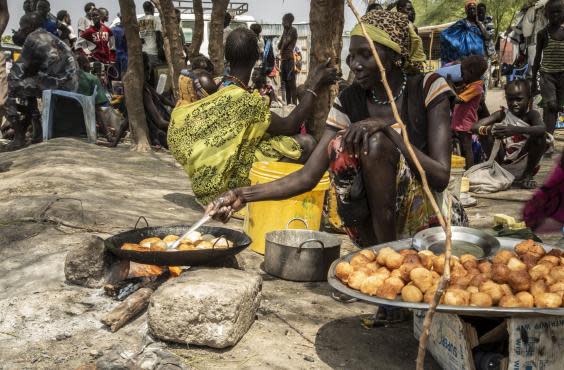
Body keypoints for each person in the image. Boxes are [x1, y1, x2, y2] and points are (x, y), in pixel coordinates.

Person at [208, 11, 467, 247]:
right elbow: (307, 176)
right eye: (352, 56)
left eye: (366, 55)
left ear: (394, 56)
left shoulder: (426, 88)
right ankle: (380, 253)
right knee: (341, 147)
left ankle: (392, 257)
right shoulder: (349, 100)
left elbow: (441, 177)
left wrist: (389, 131)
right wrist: (242, 194)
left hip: (430, 220)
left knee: (374, 140)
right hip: (377, 225)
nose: (355, 64)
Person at [168, 27, 336, 205]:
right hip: (229, 185)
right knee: (306, 143)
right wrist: (315, 85)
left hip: (206, 185)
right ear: (256, 57)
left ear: (227, 56)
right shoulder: (245, 101)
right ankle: (259, 195)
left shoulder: (216, 85)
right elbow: (290, 125)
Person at [5, 12, 78, 150]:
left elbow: (17, 71)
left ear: (30, 26)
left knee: (9, 86)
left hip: (60, 84)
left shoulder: (32, 38)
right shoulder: (49, 36)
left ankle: (19, 136)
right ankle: (36, 129)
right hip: (71, 83)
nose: (20, 30)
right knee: (29, 83)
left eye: (22, 27)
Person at [472, 79, 546, 189]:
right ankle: (498, 172)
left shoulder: (532, 115)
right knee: (485, 134)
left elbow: (542, 129)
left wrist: (515, 130)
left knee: (541, 137)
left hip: (525, 163)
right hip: (502, 163)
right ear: (506, 100)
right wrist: (490, 130)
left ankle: (527, 176)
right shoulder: (502, 114)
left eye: (519, 99)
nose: (514, 103)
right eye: (510, 100)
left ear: (529, 99)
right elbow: (474, 127)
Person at [532, 0, 564, 135]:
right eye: (552, 12)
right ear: (546, 14)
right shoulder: (542, 34)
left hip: (563, 75)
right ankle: (547, 140)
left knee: (559, 107)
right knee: (551, 107)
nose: (555, 15)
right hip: (547, 76)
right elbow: (537, 57)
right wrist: (533, 80)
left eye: (558, 12)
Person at [451, 55, 488, 169]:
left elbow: (458, 99)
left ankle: (469, 171)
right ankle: (463, 169)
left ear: (471, 72)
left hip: (465, 123)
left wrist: (449, 87)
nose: (461, 75)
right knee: (462, 147)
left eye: (463, 72)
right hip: (459, 121)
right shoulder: (470, 85)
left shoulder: (476, 87)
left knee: (467, 148)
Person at [441, 0, 489, 64]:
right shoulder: (462, 23)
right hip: (466, 58)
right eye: (470, 9)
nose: (472, 10)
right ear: (466, 11)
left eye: (474, 8)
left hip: (480, 57)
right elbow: (445, 34)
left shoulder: (481, 23)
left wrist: (478, 22)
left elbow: (487, 37)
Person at [278, 13, 298, 105]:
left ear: (289, 22)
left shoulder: (293, 30)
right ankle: (288, 103)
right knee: (285, 83)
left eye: (283, 21)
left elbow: (285, 43)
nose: (282, 23)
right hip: (284, 60)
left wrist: (281, 51)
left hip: (289, 60)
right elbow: (279, 45)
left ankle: (294, 104)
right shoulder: (285, 31)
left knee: (291, 83)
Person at [139, 1, 165, 67]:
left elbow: (140, 39)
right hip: (154, 52)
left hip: (143, 52)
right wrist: (161, 52)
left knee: (146, 74)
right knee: (156, 74)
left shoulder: (139, 20)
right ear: (152, 8)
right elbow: (158, 36)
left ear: (144, 9)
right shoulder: (156, 19)